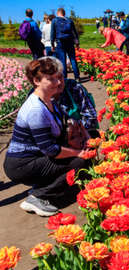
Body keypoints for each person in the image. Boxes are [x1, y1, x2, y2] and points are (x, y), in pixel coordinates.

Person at [3, 57, 90, 217]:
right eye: (51, 79)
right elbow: (50, 149)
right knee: (78, 161)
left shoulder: (48, 101)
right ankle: (38, 196)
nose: (58, 82)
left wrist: (85, 135)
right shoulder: (36, 109)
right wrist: (77, 153)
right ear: (36, 80)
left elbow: (66, 124)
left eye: (58, 77)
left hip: (36, 157)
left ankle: (45, 186)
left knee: (81, 152)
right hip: (22, 164)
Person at [51, 8, 81, 81]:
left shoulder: (54, 20)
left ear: (58, 13)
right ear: (64, 13)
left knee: (62, 60)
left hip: (60, 42)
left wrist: (52, 44)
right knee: (72, 59)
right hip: (70, 42)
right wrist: (77, 43)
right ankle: (77, 77)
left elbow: (52, 33)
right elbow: (74, 33)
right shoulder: (69, 21)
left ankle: (65, 78)